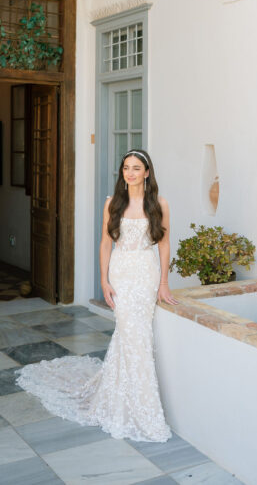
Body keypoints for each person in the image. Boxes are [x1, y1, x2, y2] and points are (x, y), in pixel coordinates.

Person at [16, 148, 177, 442]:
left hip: (146, 273)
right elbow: (105, 243)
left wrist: (164, 282)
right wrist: (104, 279)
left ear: (147, 172)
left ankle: (130, 400)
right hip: (121, 272)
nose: (130, 173)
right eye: (126, 167)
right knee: (130, 333)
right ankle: (131, 403)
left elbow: (164, 245)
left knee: (135, 335)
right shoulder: (112, 203)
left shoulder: (160, 204)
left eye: (136, 168)